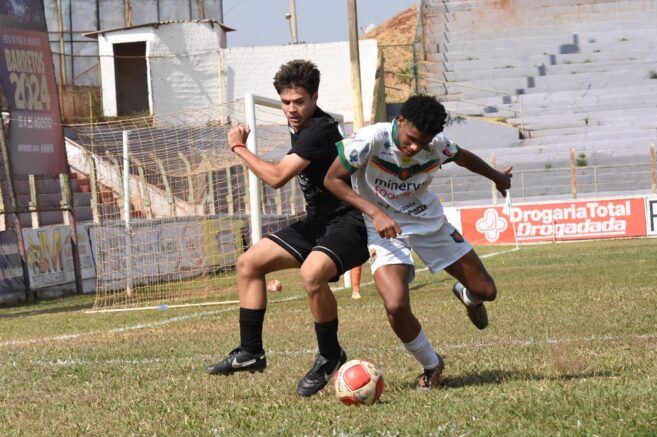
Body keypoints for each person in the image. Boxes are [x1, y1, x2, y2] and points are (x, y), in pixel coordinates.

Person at [324, 95, 512, 390]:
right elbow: (332, 179)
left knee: (487, 291)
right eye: (410, 139)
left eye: (422, 144)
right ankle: (432, 365)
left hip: (430, 223)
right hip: (384, 229)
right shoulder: (371, 139)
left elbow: (464, 158)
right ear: (400, 122)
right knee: (396, 305)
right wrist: (375, 213)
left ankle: (468, 295)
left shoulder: (437, 145)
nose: (414, 148)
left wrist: (496, 177)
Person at [206, 59, 369, 398]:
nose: (292, 109)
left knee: (312, 274)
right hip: (317, 223)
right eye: (285, 102)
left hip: (346, 224)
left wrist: (238, 147)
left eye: (299, 102)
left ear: (314, 97)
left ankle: (329, 355)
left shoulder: (320, 128)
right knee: (249, 263)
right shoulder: (302, 126)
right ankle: (251, 352)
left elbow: (278, 177)